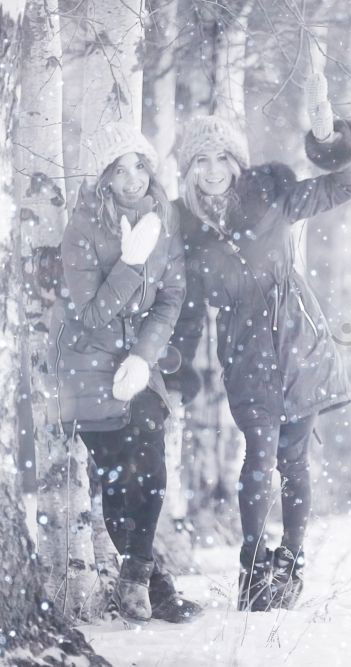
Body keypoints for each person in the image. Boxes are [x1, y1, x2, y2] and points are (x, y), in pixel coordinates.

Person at [170, 74, 351, 611]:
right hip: (243, 345)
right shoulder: (181, 226)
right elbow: (183, 306)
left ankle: (292, 560)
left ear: (237, 161)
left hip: (299, 334)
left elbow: (344, 186)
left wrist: (329, 141)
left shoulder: (272, 191)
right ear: (189, 170)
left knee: (294, 458)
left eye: (221, 158)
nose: (213, 171)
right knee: (259, 453)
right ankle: (253, 570)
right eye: (201, 161)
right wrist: (173, 367)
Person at [49, 121, 202, 623]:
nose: (133, 178)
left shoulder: (165, 219)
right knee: (118, 480)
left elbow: (173, 297)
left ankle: (136, 571)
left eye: (139, 165)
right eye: (121, 169)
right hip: (88, 366)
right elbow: (89, 313)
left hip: (139, 363)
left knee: (152, 468)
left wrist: (143, 356)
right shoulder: (83, 228)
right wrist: (131, 263)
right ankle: (155, 590)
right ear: (105, 178)